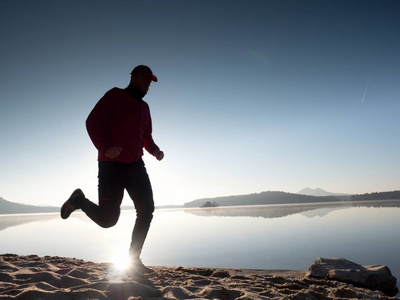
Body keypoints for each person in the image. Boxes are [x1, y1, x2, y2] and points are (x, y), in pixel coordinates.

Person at [60, 65, 164, 274]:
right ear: (132, 77)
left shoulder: (145, 108)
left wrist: (154, 150)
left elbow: (146, 137)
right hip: (111, 166)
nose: (147, 84)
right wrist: (105, 148)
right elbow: (92, 121)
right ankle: (78, 200)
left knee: (147, 210)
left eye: (150, 81)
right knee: (108, 220)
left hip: (136, 166)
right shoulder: (115, 95)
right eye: (143, 79)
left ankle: (134, 261)